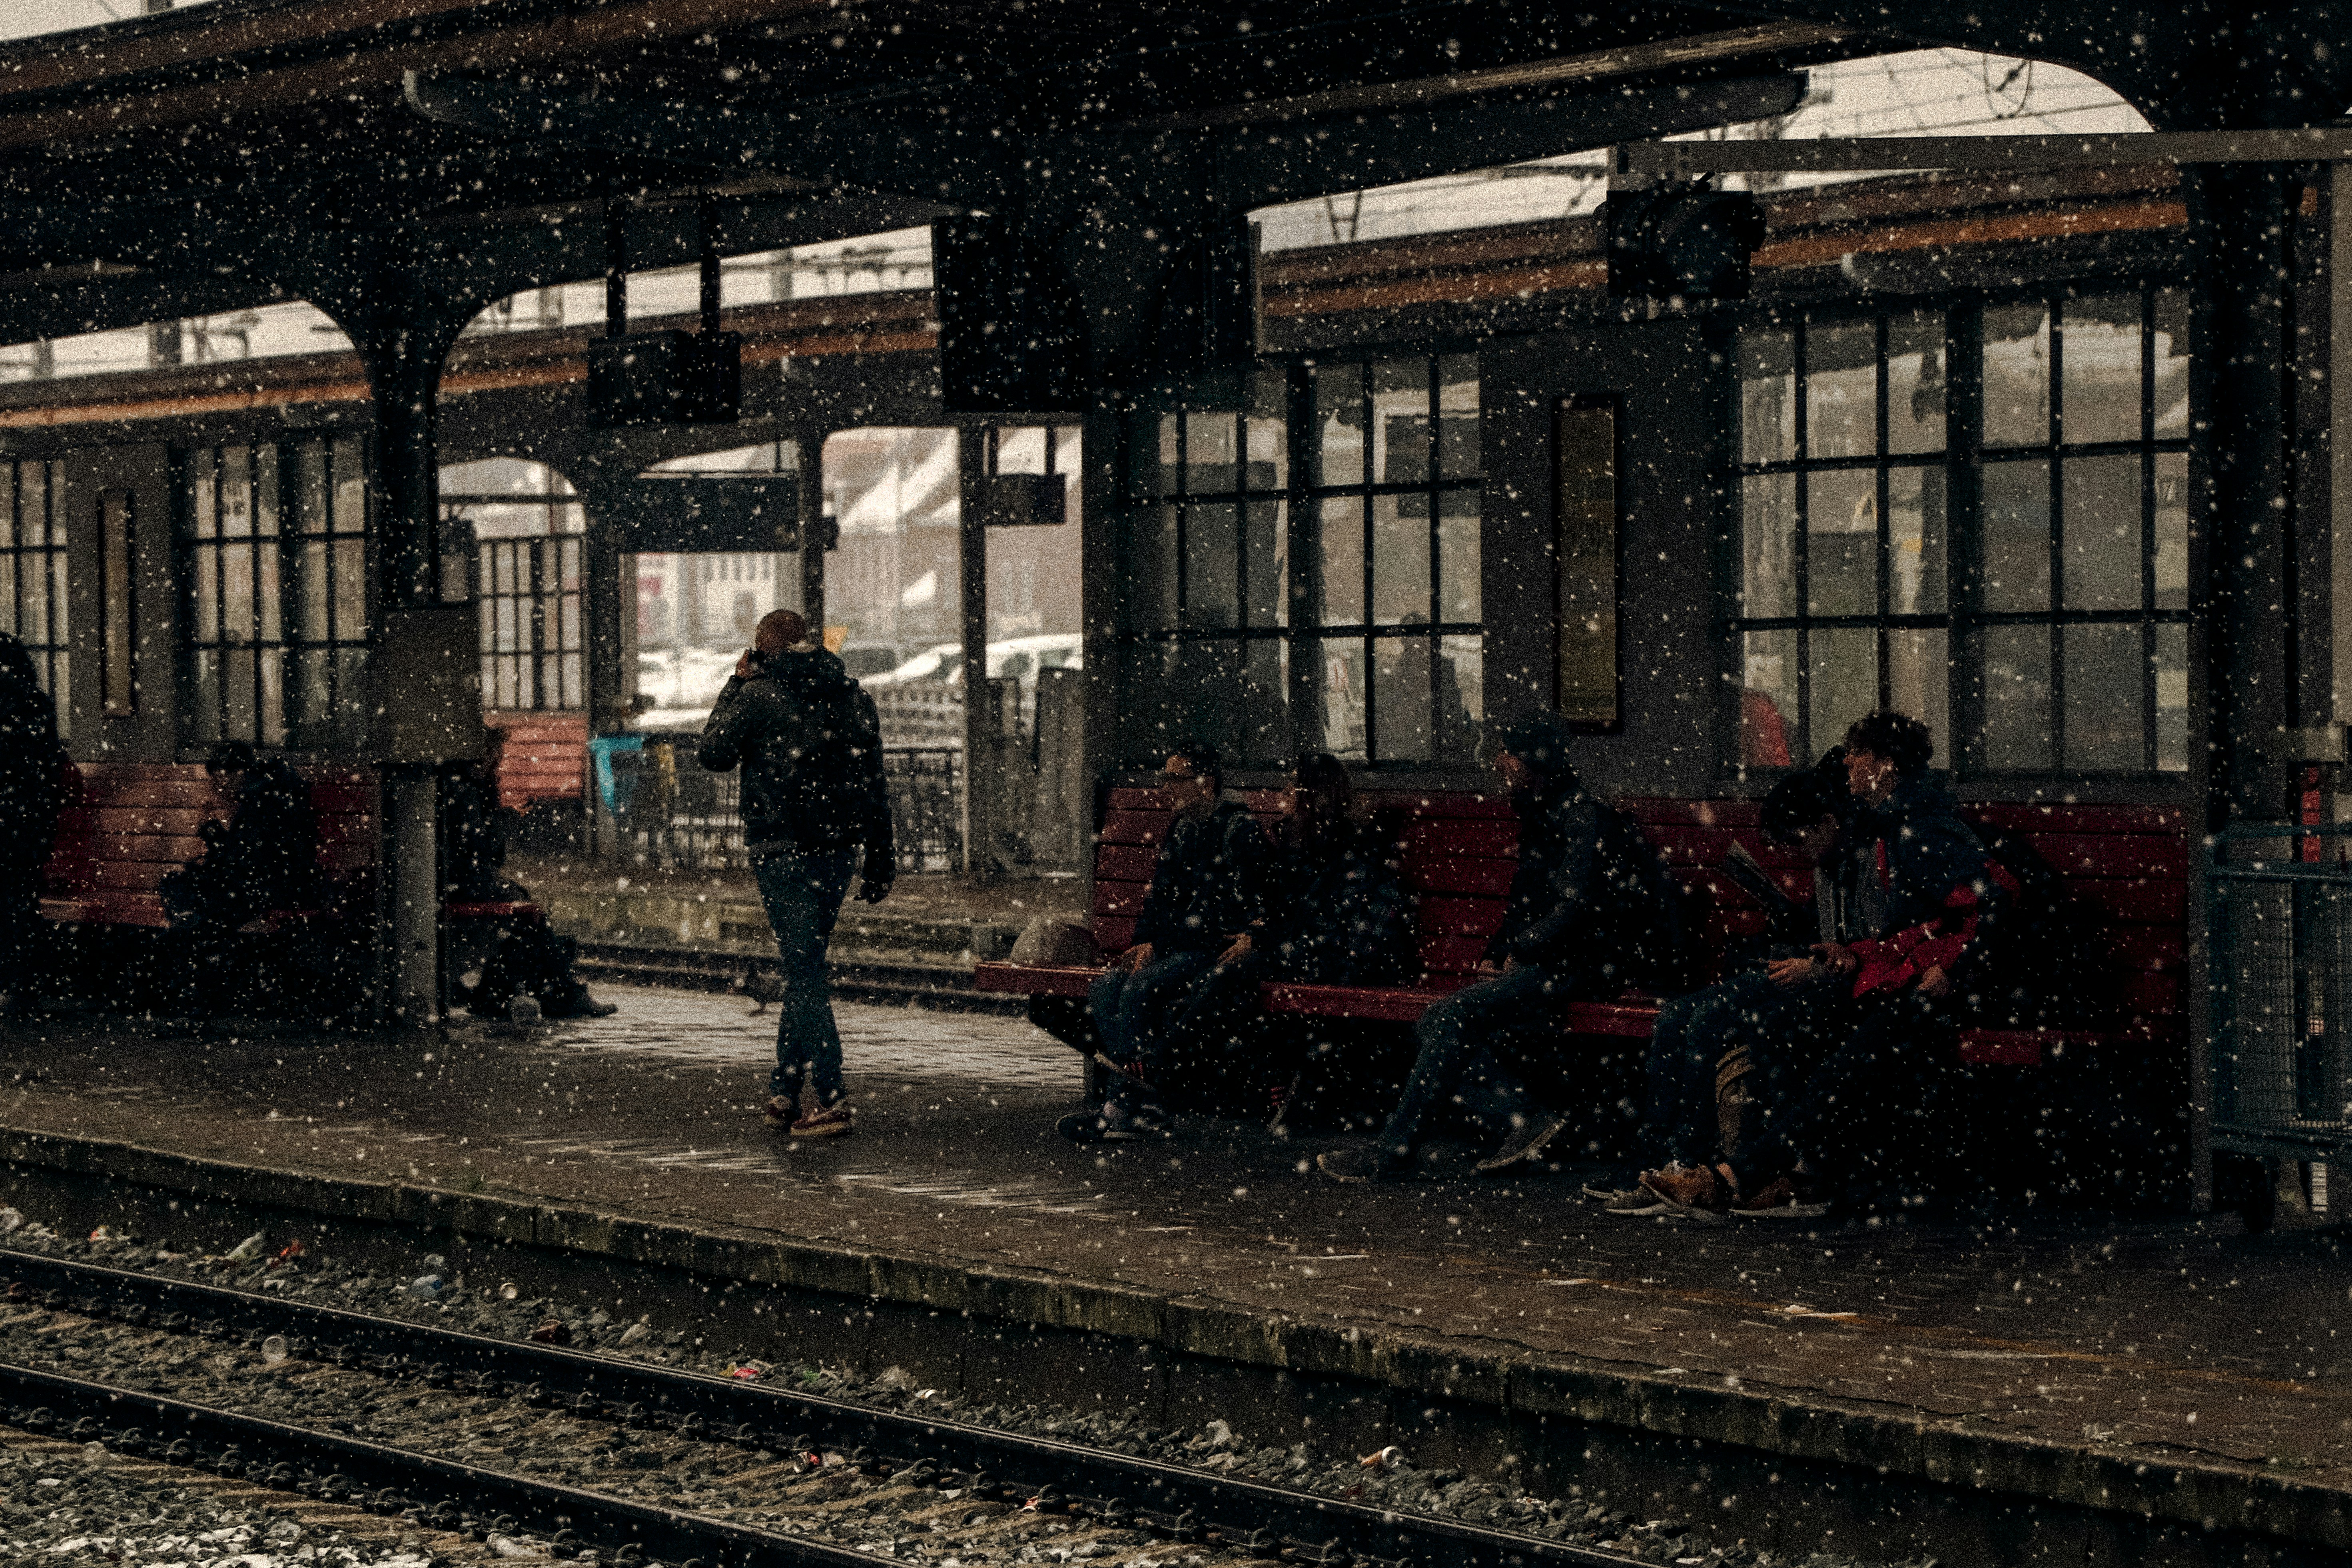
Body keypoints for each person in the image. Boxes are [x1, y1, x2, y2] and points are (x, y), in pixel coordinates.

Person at [1637, 711, 2009, 1217]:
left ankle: (1739, 1179)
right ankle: (1779, 1178)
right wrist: (1854, 953)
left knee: (1838, 1067)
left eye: (1859, 754)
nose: (1849, 763)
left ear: (1885, 764)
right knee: (1787, 1035)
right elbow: (1916, 929)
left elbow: (1994, 905)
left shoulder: (1919, 829)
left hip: (1936, 991)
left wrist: (1956, 974)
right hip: (1904, 978)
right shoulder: (1897, 826)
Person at [1316, 710, 1683, 1182]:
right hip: (1556, 961)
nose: (1500, 762)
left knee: (1450, 1016)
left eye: (1509, 753)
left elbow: (1575, 906)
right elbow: (1526, 901)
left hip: (1585, 965)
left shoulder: (1580, 816)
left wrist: (1524, 950)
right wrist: (1497, 950)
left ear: (1535, 761)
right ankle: (1521, 1114)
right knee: (1440, 1020)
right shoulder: (1544, 811)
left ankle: (1396, 1152)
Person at [1586, 756, 1866, 1207]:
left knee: (1710, 1020)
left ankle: (1691, 1161)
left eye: (1800, 840)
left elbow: (1866, 945)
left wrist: (1815, 961)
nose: (1799, 852)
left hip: (1826, 979)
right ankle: (1658, 1153)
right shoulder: (1829, 857)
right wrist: (1787, 923)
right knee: (1677, 1014)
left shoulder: (1864, 855)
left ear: (1829, 820)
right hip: (1803, 966)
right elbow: (1824, 927)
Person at [699, 609, 895, 1139]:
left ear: (765, 651)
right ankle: (784, 1090)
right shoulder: (854, 696)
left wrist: (734, 683)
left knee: (804, 970)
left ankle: (831, 1098)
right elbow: (874, 781)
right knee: (803, 964)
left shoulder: (759, 695)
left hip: (783, 847)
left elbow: (712, 752)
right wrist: (882, 855)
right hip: (838, 850)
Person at [1152, 754, 1418, 1118]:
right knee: (1226, 979)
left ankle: (1164, 1065)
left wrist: (1261, 940)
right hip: (1301, 951)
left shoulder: (1345, 849)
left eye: (1293, 785)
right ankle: (1253, 1079)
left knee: (1230, 977)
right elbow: (1283, 911)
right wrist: (1256, 934)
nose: (1285, 792)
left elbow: (1321, 924)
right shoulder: (1297, 842)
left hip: (1333, 959)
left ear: (1312, 794)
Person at [1061, 742, 1271, 1143]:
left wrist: (1162, 944)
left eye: (1174, 779)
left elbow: (1222, 914)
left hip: (1215, 948)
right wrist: (1143, 942)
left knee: (1141, 988)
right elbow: (1160, 896)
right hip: (1179, 943)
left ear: (1205, 782)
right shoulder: (1183, 827)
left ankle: (1120, 1109)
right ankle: (1150, 1102)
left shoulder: (1237, 828)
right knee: (1106, 988)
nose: (1164, 789)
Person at [444, 731, 616, 1021]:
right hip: (466, 883)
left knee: (527, 918)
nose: (496, 764)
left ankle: (505, 992)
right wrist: (506, 819)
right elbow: (481, 850)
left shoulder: (453, 787)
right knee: (530, 919)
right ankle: (564, 993)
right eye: (494, 756)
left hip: (456, 881)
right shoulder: (467, 792)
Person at [160, 741, 327, 936]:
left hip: (278, 885)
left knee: (190, 890)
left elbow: (245, 858)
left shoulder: (264, 803)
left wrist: (210, 831)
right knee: (184, 885)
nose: (217, 788)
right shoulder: (263, 795)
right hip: (270, 881)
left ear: (239, 772)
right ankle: (198, 937)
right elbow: (243, 854)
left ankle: (200, 940)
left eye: (220, 780)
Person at [0, 634, 66, 1015]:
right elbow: (44, 768)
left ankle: (20, 982)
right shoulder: (36, 704)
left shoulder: (15, 706)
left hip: (15, 820)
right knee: (20, 901)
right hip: (28, 821)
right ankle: (23, 985)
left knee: (15, 902)